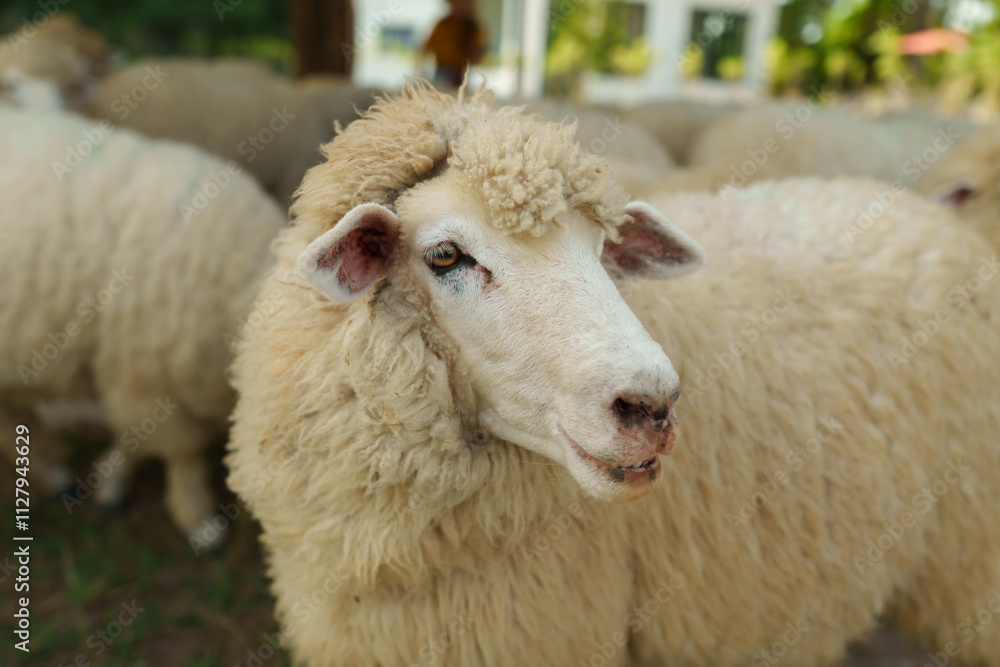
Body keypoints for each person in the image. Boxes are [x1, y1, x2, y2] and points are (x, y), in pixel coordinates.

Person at [423, 0, 488, 88]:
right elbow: (427, 47)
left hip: (462, 72)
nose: (458, 6)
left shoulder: (473, 28)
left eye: (462, 3)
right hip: (442, 69)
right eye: (455, 3)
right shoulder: (443, 24)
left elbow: (479, 51)